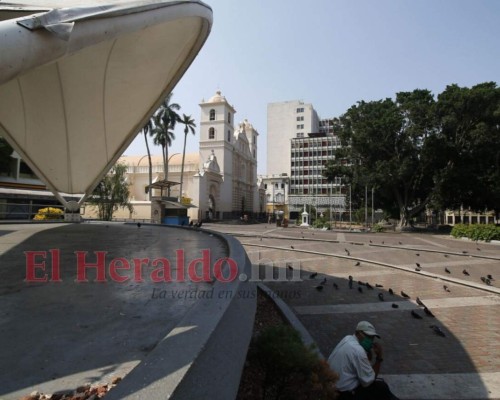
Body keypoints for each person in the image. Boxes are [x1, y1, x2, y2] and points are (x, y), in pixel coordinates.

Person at [327, 321, 399, 400]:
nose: (370, 340)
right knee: (381, 388)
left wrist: (367, 351)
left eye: (372, 338)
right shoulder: (358, 351)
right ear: (358, 333)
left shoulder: (347, 338)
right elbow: (369, 381)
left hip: (331, 387)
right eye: (368, 336)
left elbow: (362, 362)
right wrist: (379, 357)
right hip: (343, 395)